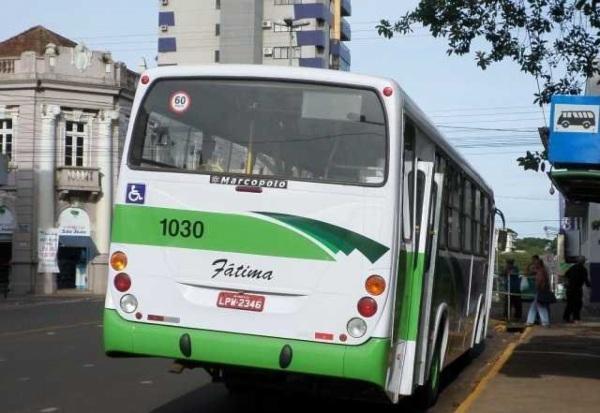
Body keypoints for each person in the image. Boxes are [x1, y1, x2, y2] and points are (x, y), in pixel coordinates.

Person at [563, 256, 592, 323]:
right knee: (578, 304)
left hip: (570, 288)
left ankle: (566, 317)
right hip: (577, 289)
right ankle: (576, 318)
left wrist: (566, 283)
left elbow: (566, 275)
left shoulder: (573, 267)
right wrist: (589, 285)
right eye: (584, 260)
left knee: (570, 303)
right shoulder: (583, 269)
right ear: (583, 262)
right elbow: (586, 280)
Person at [526, 261, 551, 327]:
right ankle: (530, 321)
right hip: (543, 290)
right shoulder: (543, 271)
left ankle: (545, 322)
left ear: (538, 265)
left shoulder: (540, 272)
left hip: (540, 290)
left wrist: (538, 287)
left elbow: (539, 282)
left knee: (540, 306)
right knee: (534, 306)